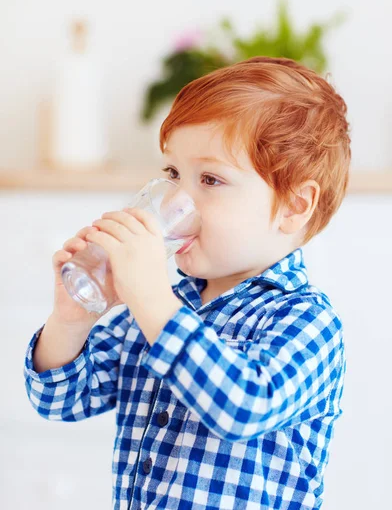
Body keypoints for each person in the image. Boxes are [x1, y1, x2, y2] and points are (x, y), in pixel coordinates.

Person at [24, 56, 351, 509]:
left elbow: (241, 406)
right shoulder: (162, 303)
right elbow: (58, 400)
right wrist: (71, 320)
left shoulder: (306, 321)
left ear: (294, 206)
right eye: (173, 174)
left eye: (211, 179)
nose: (177, 200)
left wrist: (152, 299)